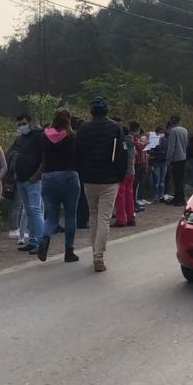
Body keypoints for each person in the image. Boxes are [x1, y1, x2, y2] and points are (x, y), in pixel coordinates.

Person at [76, 98, 128, 273]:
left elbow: (77, 155)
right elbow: (121, 154)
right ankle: (99, 256)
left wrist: (82, 174)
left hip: (89, 179)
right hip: (109, 179)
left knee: (93, 216)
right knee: (104, 218)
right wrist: (120, 175)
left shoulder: (83, 129)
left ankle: (94, 253)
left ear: (91, 112)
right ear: (106, 111)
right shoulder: (115, 128)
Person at [36, 108, 80, 263]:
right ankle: (69, 252)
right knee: (70, 215)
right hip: (69, 175)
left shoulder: (44, 136)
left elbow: (42, 156)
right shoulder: (73, 136)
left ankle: (44, 239)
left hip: (48, 177)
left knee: (51, 216)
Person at [10, 114, 44, 254]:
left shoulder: (38, 136)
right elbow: (14, 154)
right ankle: (33, 239)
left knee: (35, 209)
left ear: (30, 122)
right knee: (29, 211)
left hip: (33, 179)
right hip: (21, 179)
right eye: (19, 125)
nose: (21, 127)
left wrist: (37, 175)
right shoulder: (21, 139)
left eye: (23, 124)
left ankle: (41, 241)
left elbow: (44, 157)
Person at [165, 115, 188, 206]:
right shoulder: (184, 130)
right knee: (180, 179)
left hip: (176, 158)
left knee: (176, 179)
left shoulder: (173, 131)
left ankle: (179, 199)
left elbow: (171, 146)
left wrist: (168, 158)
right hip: (183, 156)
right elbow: (186, 143)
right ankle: (180, 197)